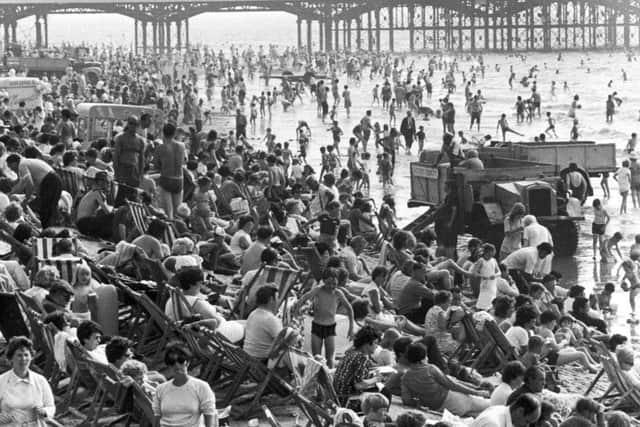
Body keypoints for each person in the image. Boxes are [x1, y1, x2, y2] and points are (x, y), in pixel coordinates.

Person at [401, 342, 490, 416]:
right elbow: (452, 385)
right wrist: (477, 392)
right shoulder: (430, 369)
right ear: (423, 358)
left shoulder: (405, 378)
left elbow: (406, 400)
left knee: (481, 414)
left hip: (444, 410)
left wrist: (420, 402)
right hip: (456, 401)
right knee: (492, 406)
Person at [295, 267, 354, 368]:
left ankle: (330, 378)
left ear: (337, 282)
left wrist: (351, 328)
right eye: (328, 283)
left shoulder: (338, 293)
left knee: (330, 357)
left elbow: (349, 308)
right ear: (324, 282)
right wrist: (296, 311)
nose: (331, 286)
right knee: (316, 358)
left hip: (330, 328)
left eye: (334, 284)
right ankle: (315, 379)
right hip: (317, 326)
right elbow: (304, 297)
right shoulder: (318, 290)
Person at [153, 341, 217, 427]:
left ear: (188, 362)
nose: (177, 365)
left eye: (181, 360)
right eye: (172, 362)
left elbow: (210, 416)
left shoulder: (201, 387)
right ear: (168, 365)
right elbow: (157, 418)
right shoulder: (161, 389)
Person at [0, 336, 55, 426]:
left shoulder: (40, 380)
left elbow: (51, 406)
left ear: (31, 357)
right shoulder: (1, 381)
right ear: (11, 358)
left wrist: (44, 412)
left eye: (26, 355)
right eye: (19, 355)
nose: (23, 359)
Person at [7, 154, 62, 229]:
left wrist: (26, 200)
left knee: (46, 209)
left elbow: (30, 185)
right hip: (53, 179)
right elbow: (22, 183)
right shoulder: (26, 162)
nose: (11, 169)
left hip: (50, 181)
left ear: (14, 162)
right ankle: (52, 230)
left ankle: (47, 231)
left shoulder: (22, 165)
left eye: (10, 166)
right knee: (50, 208)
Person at [333, 326, 382, 405]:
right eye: (375, 343)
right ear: (367, 343)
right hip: (348, 401)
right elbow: (359, 385)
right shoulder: (361, 358)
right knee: (384, 393)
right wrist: (376, 379)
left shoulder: (351, 352)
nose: (377, 346)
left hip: (338, 396)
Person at [243, 285, 283, 363]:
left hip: (246, 357)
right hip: (260, 361)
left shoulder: (253, 313)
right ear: (271, 299)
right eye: (277, 297)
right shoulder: (270, 319)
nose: (279, 300)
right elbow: (282, 341)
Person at [154, 122, 186, 219]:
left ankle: (170, 232)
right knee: (178, 212)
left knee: (168, 212)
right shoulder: (182, 146)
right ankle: (179, 231)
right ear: (175, 133)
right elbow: (184, 161)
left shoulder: (160, 148)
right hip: (179, 179)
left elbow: (157, 165)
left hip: (166, 179)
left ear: (163, 133)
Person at [113, 116, 145, 206]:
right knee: (121, 195)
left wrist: (141, 174)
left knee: (133, 196)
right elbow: (116, 157)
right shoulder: (120, 138)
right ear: (127, 124)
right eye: (131, 123)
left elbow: (142, 159)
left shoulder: (140, 140)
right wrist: (117, 172)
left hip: (134, 170)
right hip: (123, 169)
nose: (133, 126)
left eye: (136, 124)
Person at [472, 394, 541, 427]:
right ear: (520, 411)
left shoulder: (501, 410)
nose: (527, 426)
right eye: (527, 421)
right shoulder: (493, 424)